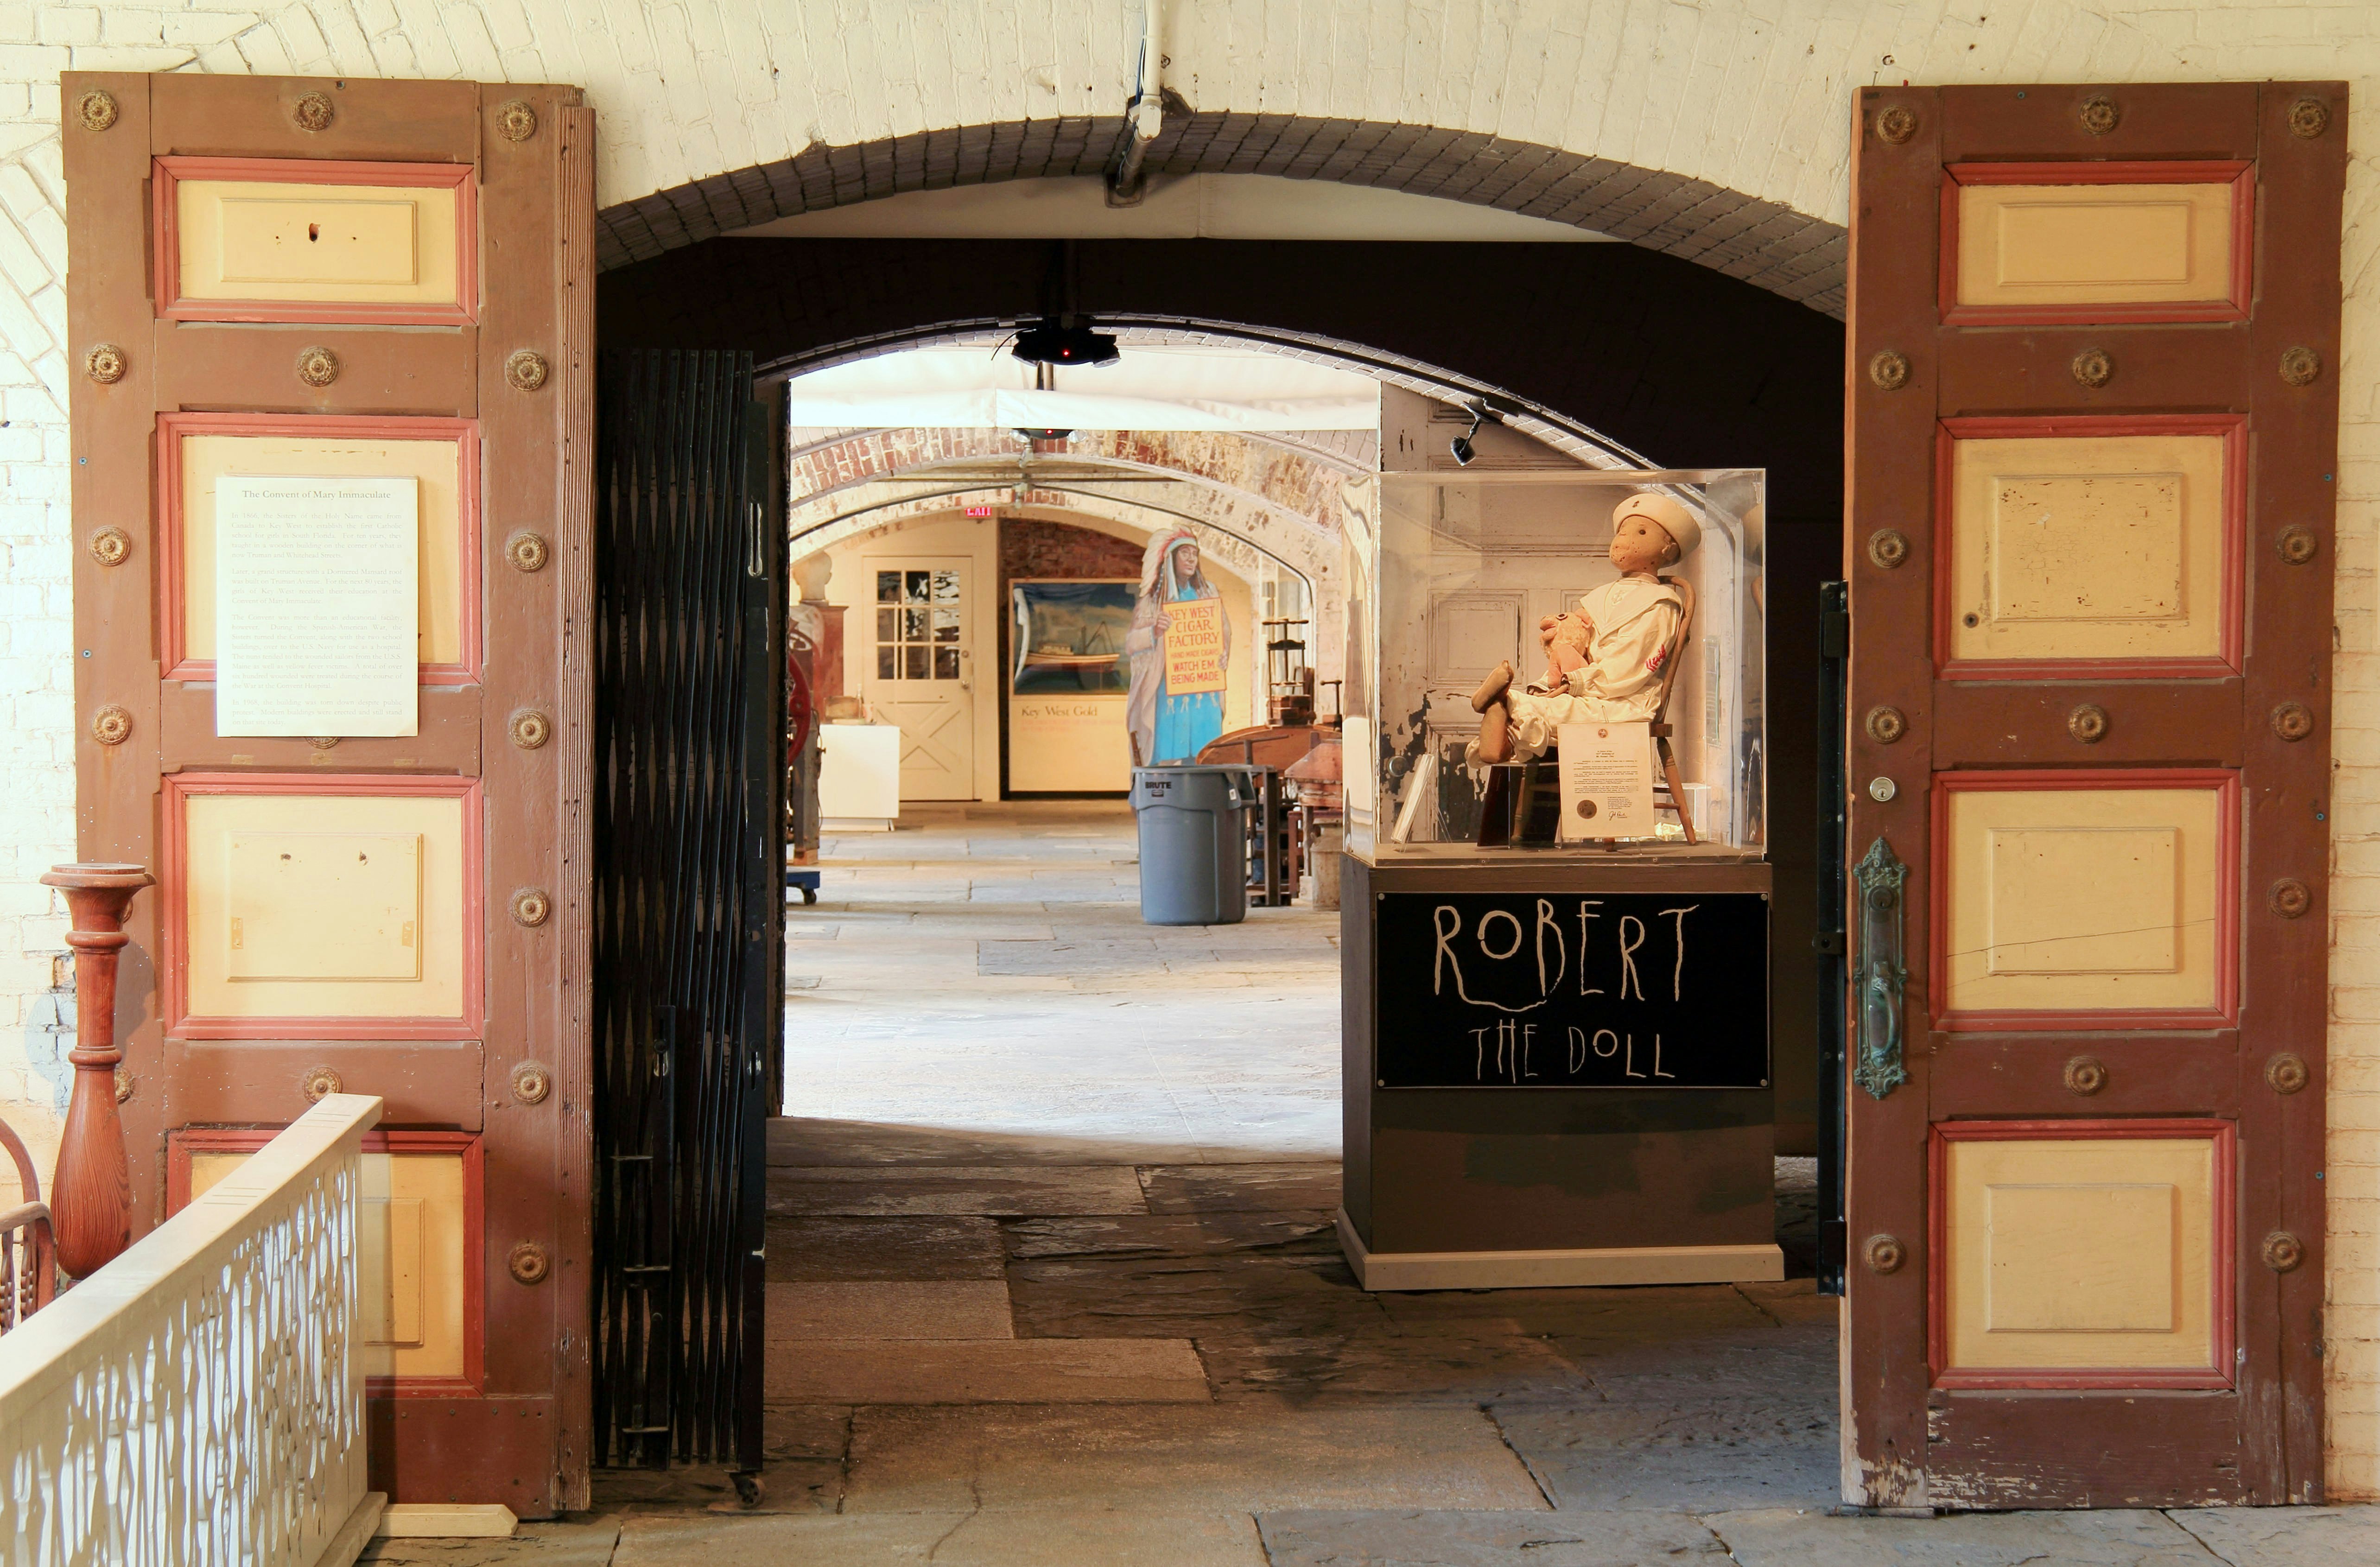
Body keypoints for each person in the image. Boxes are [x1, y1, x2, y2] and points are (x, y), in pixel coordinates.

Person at [1467, 492, 1701, 767]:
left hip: (1626, 699)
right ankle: (1502, 731)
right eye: (1622, 532)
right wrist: (1551, 682)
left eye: (1640, 532)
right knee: (1541, 704)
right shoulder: (1601, 596)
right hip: (1588, 687)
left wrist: (1576, 682)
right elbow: (1577, 646)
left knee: (1538, 709)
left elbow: (1631, 669)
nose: (1624, 540)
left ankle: (1499, 723)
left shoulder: (1661, 606)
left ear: (1666, 549)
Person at [1125, 527, 1231, 764]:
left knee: (1204, 755)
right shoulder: (1153, 601)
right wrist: (1154, 631)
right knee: (1170, 754)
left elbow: (1223, 629)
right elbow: (1131, 643)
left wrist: (1224, 654)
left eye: (1195, 553)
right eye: (1185, 553)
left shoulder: (1207, 592)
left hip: (1203, 687)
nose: (1192, 559)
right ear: (1171, 558)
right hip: (1169, 688)